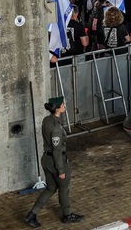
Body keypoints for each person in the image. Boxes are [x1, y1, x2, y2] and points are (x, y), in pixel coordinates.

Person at [24, 97, 85, 227]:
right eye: (62, 104)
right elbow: (57, 151)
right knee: (63, 188)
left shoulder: (47, 120)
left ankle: (32, 214)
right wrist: (61, 170)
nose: (64, 105)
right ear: (57, 109)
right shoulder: (56, 128)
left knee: (51, 188)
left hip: (46, 159)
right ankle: (67, 215)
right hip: (56, 161)